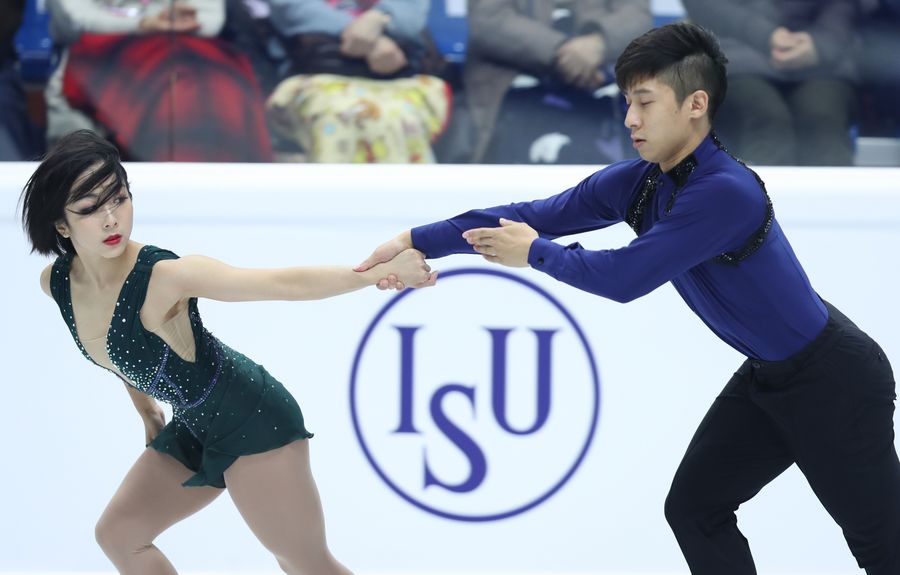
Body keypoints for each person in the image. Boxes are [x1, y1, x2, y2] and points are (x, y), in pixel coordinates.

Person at [356, 22, 900, 574]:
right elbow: (530, 215)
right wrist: (414, 239)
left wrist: (536, 253)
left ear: (695, 104)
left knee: (883, 547)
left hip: (836, 382)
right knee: (695, 509)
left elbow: (625, 278)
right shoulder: (642, 182)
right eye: (626, 102)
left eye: (644, 101)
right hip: (770, 375)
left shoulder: (726, 192)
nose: (629, 119)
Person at [19, 129, 432, 573]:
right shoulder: (58, 284)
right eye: (89, 208)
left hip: (252, 418)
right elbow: (116, 351)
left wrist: (377, 273)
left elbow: (282, 284)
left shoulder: (165, 276)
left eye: (118, 199)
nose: (110, 219)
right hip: (193, 425)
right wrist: (148, 414)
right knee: (120, 535)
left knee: (305, 563)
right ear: (60, 224)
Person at [464, 0, 651, 164]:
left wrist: (598, 44)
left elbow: (637, 18)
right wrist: (562, 51)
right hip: (516, 93)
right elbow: (488, 20)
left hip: (603, 92)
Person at [682, 0, 858, 166]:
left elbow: (842, 6)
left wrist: (822, 45)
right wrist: (765, 34)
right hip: (733, 55)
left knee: (822, 123)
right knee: (767, 122)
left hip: (821, 61)